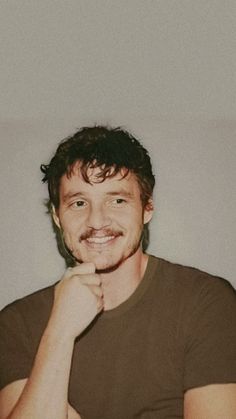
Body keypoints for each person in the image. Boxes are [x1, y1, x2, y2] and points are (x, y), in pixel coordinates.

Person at [0, 125, 236, 419]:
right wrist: (58, 332)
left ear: (147, 207)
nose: (97, 220)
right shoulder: (16, 323)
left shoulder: (206, 302)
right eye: (79, 203)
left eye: (117, 200)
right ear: (57, 217)